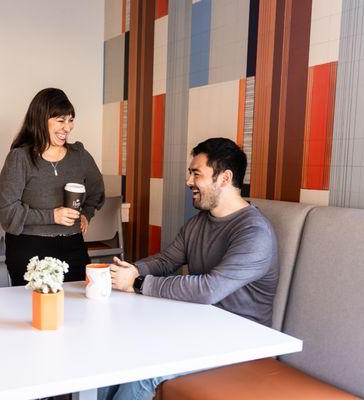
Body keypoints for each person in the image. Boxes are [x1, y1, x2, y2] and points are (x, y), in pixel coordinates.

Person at [100, 137, 279, 400]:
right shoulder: (198, 223)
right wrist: (124, 272)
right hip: (198, 328)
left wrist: (137, 284)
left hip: (240, 342)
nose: (188, 182)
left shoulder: (254, 233)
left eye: (196, 174)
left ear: (224, 178)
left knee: (144, 373)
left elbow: (209, 289)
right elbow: (165, 261)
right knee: (115, 355)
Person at [0, 88, 105, 286]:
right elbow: (7, 212)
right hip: (29, 248)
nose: (68, 127)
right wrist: (52, 216)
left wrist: (86, 214)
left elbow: (97, 190)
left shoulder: (79, 155)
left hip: (73, 245)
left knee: (80, 308)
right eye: (61, 120)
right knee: (34, 312)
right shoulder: (20, 158)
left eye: (71, 120)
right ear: (40, 119)